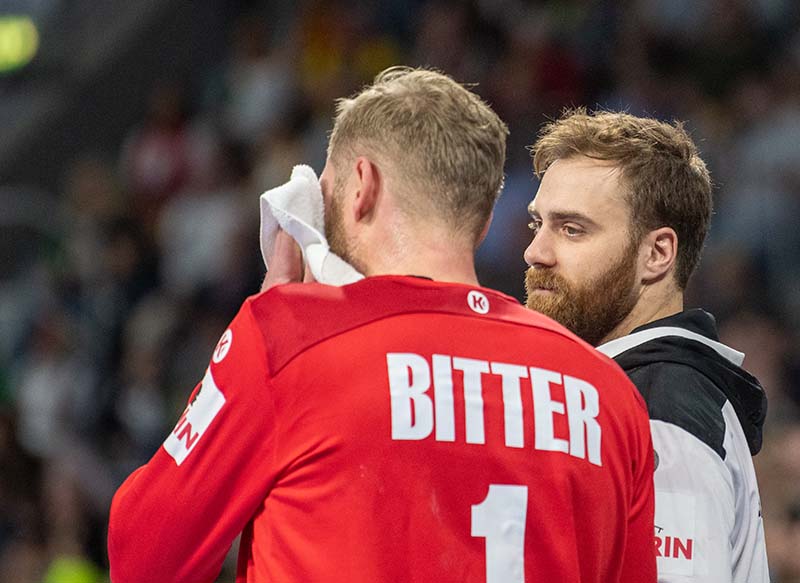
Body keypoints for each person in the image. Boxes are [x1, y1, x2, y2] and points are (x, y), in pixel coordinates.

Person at [107, 69, 656, 583]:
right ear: (484, 221)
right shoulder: (608, 393)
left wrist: (262, 333)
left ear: (361, 185)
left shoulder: (288, 341)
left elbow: (144, 559)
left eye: (327, 191)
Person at [524, 108, 769, 582]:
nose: (536, 252)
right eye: (539, 224)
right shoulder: (646, 392)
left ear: (657, 253)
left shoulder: (660, 408)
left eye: (572, 229)